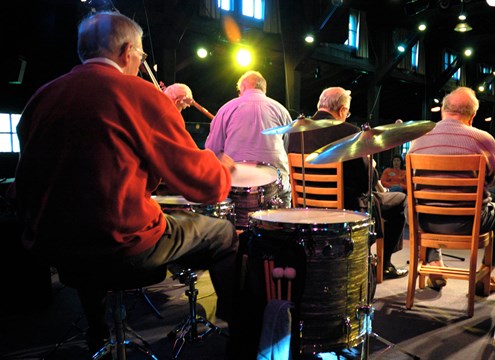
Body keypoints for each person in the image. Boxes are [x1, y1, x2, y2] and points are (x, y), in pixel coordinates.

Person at [12, 11, 239, 356]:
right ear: (127, 51)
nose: (140, 62)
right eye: (142, 56)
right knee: (222, 232)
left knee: (88, 228)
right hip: (123, 245)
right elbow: (204, 186)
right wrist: (221, 167)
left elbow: (32, 182)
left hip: (55, 248)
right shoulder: (141, 95)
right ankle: (242, 334)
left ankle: (99, 334)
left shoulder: (40, 99)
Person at [288, 86, 408, 279]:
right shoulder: (350, 132)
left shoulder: (296, 132)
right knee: (399, 199)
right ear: (342, 110)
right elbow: (367, 182)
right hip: (346, 208)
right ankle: (385, 265)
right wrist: (371, 162)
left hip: (306, 205)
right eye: (347, 112)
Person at [408, 86, 495, 294]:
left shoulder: (418, 138)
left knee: (423, 205)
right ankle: (485, 275)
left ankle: (434, 263)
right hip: (469, 222)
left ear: (442, 110)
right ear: (472, 116)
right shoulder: (481, 139)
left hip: (424, 221)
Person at [204, 70, 293, 207]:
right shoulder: (281, 110)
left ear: (243, 87)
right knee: (285, 186)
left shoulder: (226, 108)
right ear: (263, 88)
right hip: (275, 186)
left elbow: (212, 149)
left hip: (237, 188)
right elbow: (287, 148)